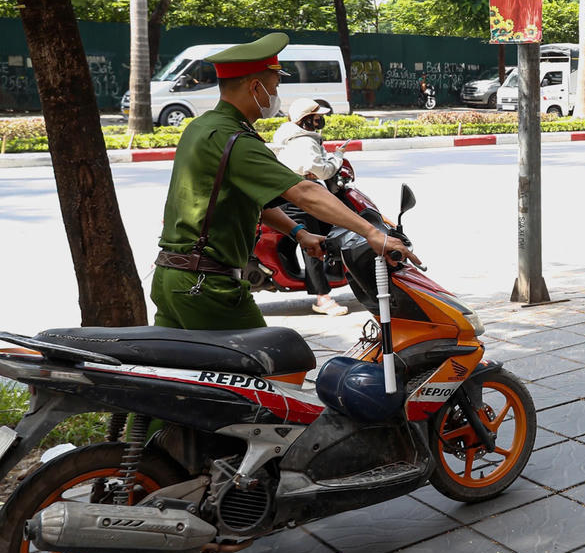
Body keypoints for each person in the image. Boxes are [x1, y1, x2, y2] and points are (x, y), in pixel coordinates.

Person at [152, 32, 415, 331]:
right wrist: (372, 233)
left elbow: (250, 201)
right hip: (207, 286)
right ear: (255, 87)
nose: (276, 96)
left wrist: (299, 233)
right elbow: (304, 192)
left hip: (172, 278)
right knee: (278, 361)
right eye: (275, 86)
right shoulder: (235, 139)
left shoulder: (200, 128)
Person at [269, 98, 349, 316]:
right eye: (317, 117)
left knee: (328, 228)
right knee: (313, 243)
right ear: (306, 120)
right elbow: (321, 171)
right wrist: (338, 158)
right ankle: (322, 298)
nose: (320, 120)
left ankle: (323, 275)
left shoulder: (293, 135)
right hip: (298, 196)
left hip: (293, 193)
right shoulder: (303, 141)